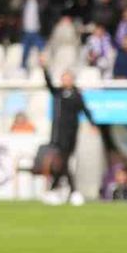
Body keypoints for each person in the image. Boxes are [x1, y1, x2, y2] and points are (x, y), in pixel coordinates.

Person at [39, 53, 96, 206]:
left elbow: (85, 110)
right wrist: (44, 68)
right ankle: (71, 191)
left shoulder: (76, 95)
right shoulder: (58, 93)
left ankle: (55, 191)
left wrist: (92, 124)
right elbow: (49, 84)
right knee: (63, 162)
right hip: (59, 134)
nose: (65, 80)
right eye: (63, 78)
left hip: (71, 134)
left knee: (63, 162)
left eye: (68, 78)